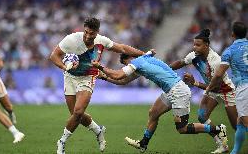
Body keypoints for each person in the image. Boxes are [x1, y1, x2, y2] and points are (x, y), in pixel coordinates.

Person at [92, 52, 228, 153]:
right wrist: (104, 78)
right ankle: (143, 143)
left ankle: (217, 129)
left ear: (130, 59)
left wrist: (101, 67)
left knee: (182, 128)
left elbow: (119, 75)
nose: (127, 67)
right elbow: (123, 81)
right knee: (153, 113)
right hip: (171, 90)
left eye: (126, 64)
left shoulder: (137, 62)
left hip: (179, 91)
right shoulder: (145, 59)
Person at [49, 17, 145, 154]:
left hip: (88, 77)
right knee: (76, 115)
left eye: (92, 34)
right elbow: (54, 56)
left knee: (78, 112)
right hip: (70, 77)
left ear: (97, 32)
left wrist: (143, 54)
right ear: (84, 29)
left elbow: (122, 48)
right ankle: (98, 130)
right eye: (86, 32)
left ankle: (62, 142)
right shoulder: (71, 39)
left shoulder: (102, 41)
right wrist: (64, 67)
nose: (88, 36)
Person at [170, 29, 237, 153]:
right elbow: (180, 62)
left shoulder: (215, 61)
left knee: (237, 125)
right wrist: (166, 68)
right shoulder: (194, 55)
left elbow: (215, 87)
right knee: (202, 116)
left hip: (226, 90)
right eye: (194, 44)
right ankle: (222, 144)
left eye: (198, 45)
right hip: (212, 89)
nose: (194, 47)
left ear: (206, 45)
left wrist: (194, 82)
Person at [206, 22, 248, 154]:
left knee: (245, 121)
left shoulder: (229, 51)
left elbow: (218, 74)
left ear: (232, 34)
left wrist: (209, 87)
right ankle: (235, 151)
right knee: (240, 121)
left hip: (244, 87)